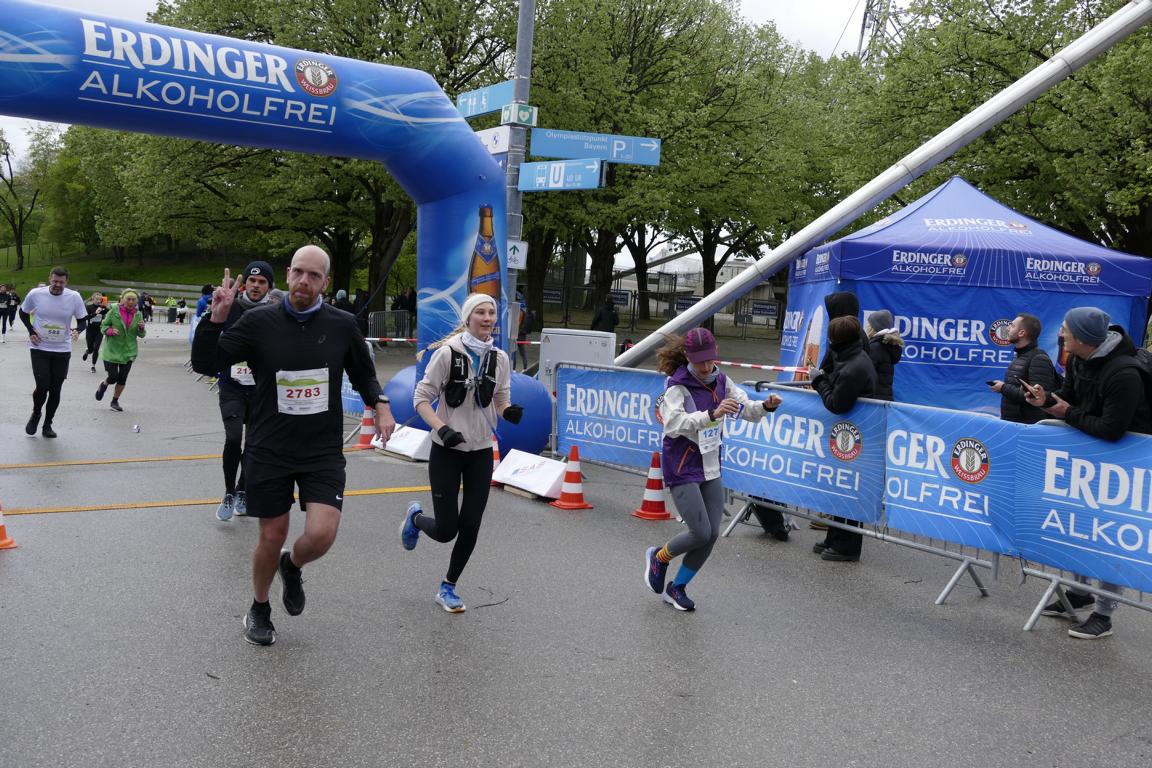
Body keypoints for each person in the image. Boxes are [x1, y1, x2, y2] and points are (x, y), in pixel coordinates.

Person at [192, 245, 396, 646]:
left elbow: (363, 374)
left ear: (326, 282)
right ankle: (260, 607)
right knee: (272, 534)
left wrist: (381, 403)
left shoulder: (342, 325)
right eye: (299, 272)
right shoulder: (258, 321)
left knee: (322, 534)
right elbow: (206, 363)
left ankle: (293, 564)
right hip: (269, 446)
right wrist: (215, 319)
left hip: (321, 449)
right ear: (288, 274)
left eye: (314, 275)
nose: (304, 281)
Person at [1024, 306, 1152, 639]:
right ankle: (1080, 592)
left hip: (1125, 468)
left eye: (1065, 329)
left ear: (1081, 337)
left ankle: (1104, 615)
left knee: (1109, 535)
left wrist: (1067, 413)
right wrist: (1046, 400)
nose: (1060, 333)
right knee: (1079, 525)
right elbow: (1070, 396)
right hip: (1088, 460)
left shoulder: (1124, 374)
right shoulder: (1079, 358)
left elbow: (1111, 429)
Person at [643, 327, 782, 611]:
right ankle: (659, 557)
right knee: (699, 532)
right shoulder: (677, 385)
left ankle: (677, 588)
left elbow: (745, 408)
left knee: (711, 534)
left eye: (709, 360)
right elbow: (673, 424)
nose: (706, 367)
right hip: (682, 465)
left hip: (710, 465)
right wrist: (711, 414)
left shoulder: (722, 380)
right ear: (688, 357)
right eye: (699, 362)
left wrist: (766, 406)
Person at [400, 293, 522, 613]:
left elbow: (501, 398)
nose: (487, 318)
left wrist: (508, 412)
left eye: (491, 312)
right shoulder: (448, 353)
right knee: (446, 531)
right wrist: (442, 429)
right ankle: (415, 518)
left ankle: (448, 586)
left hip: (480, 452)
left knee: (471, 524)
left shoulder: (500, 358)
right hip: (447, 450)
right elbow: (421, 398)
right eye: (480, 312)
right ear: (468, 318)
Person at [211, 261, 282, 522]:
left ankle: (242, 489)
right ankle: (229, 492)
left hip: (261, 389)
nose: (256, 285)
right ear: (245, 284)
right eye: (252, 281)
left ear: (269, 287)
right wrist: (215, 313)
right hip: (232, 386)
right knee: (233, 439)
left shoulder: (276, 313)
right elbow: (210, 339)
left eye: (262, 282)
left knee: (253, 444)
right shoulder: (230, 306)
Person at [809, 315, 878, 562]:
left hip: (855, 436)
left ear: (836, 340)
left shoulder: (854, 366)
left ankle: (847, 545)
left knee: (849, 489)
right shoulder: (850, 358)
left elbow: (836, 403)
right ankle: (835, 537)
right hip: (847, 434)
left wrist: (818, 381)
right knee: (840, 487)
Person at [19, 267, 89, 438]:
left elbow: (82, 320)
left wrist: (77, 330)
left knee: (55, 389)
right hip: (39, 347)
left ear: (67, 282)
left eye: (61, 282)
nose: (58, 285)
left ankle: (47, 424)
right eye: (55, 281)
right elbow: (23, 313)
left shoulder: (74, 297)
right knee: (42, 385)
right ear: (50, 279)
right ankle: (36, 413)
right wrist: (31, 331)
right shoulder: (36, 294)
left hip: (62, 349)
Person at [988, 313, 1057, 424]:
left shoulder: (1038, 358)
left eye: (1012, 326)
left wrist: (1003, 388)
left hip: (1027, 426)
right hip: (1013, 423)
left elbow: (1038, 397)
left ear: (1021, 333)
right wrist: (1004, 388)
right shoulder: (1020, 356)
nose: (1008, 328)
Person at [95, 289, 147, 412]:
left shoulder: (138, 314)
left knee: (122, 378)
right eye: (128, 299)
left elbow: (141, 335)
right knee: (113, 377)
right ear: (122, 300)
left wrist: (141, 329)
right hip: (112, 350)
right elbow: (103, 326)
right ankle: (104, 384)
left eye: (133, 299)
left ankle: (115, 401)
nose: (131, 302)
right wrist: (110, 331)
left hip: (129, 351)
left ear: (136, 301)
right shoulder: (113, 311)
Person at [864, 309, 903, 402]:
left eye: (869, 324)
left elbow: (864, 375)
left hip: (872, 400)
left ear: (873, 328)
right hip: (884, 399)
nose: (867, 327)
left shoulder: (875, 347)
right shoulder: (888, 345)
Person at [82, 292, 108, 373]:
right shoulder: (89, 307)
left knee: (96, 348)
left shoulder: (102, 307)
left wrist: (105, 307)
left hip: (99, 330)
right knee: (91, 350)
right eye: (97, 299)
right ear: (93, 299)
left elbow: (108, 312)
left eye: (100, 299)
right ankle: (87, 351)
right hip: (90, 330)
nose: (98, 301)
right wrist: (95, 313)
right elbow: (86, 317)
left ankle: (93, 366)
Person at [516, 302, 535, 370]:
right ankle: (525, 368)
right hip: (523, 335)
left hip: (517, 334)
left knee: (513, 353)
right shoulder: (528, 313)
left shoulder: (520, 312)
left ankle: (513, 369)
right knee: (523, 353)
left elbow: (517, 323)